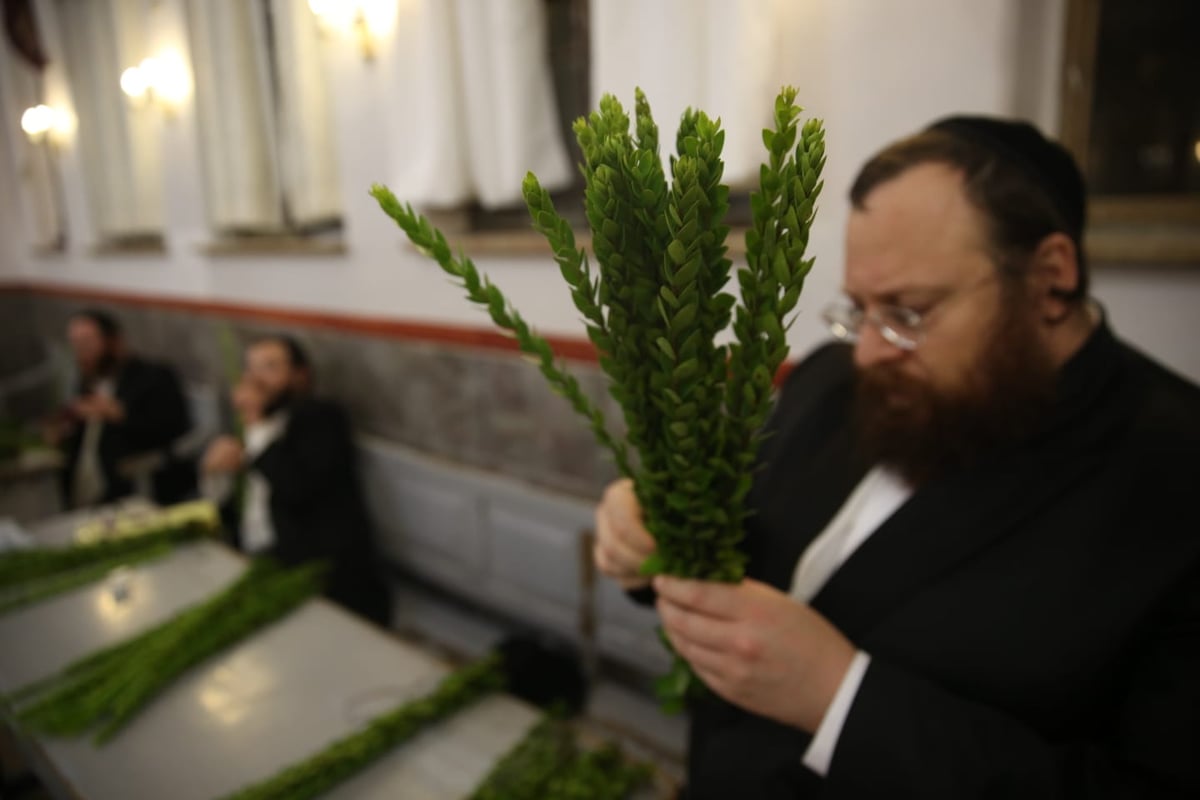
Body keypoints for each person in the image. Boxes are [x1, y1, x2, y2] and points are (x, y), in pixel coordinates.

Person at [594, 116, 1200, 798]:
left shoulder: (1176, 474)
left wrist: (839, 700)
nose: (871, 351)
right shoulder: (831, 378)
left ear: (1050, 278)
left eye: (910, 311)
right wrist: (652, 527)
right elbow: (748, 537)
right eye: (858, 309)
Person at [201, 334, 391, 626]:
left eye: (270, 367)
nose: (256, 380)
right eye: (251, 369)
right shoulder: (248, 426)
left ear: (300, 374)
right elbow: (232, 500)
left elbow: (295, 487)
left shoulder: (322, 417)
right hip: (260, 558)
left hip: (321, 573)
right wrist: (214, 471)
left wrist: (256, 422)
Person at [49, 309, 194, 509]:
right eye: (76, 344)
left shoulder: (154, 377)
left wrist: (120, 415)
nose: (81, 352)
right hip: (83, 484)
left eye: (87, 342)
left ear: (113, 342)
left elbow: (173, 430)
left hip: (131, 482)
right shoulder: (88, 381)